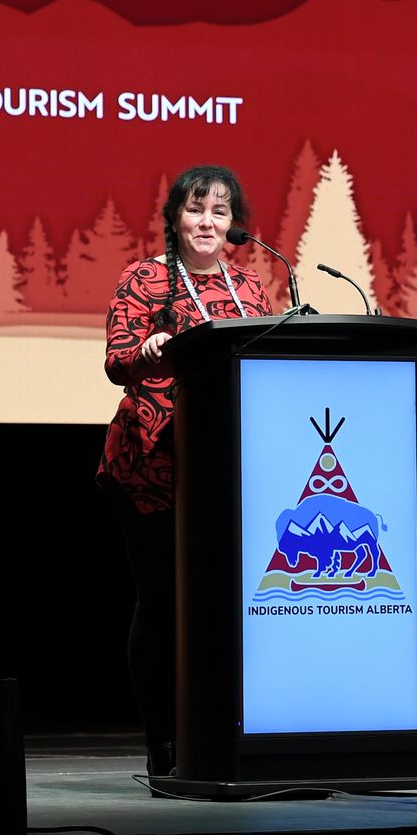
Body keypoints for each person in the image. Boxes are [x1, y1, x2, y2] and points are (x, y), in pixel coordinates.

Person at [97, 164, 272, 780]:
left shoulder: (251, 288)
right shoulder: (144, 278)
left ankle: (222, 733)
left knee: (224, 604)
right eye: (197, 209)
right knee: (164, 602)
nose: (208, 222)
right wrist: (144, 354)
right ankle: (163, 743)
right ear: (175, 217)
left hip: (224, 467)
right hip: (151, 465)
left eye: (220, 212)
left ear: (233, 225)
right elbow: (117, 365)